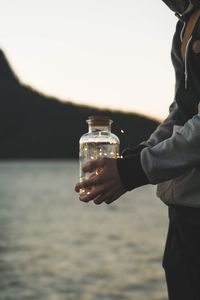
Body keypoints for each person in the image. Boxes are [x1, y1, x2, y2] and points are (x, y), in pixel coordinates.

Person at [75, 1, 200, 299]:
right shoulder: (186, 23)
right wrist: (135, 155)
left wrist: (134, 171)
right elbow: (182, 113)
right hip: (184, 212)